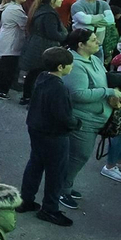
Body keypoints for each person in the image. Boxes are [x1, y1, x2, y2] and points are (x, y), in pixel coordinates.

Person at [62, 27, 121, 198]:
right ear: (81, 45)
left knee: (78, 156)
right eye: (94, 40)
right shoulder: (75, 65)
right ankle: (62, 190)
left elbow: (105, 80)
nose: (98, 42)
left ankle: (66, 185)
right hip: (83, 119)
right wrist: (108, 92)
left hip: (97, 118)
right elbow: (77, 94)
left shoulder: (95, 59)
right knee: (78, 156)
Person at [18, 47, 77, 226]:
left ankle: (25, 200)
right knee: (56, 173)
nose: (71, 67)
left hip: (36, 127)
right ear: (60, 67)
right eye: (69, 65)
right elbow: (63, 116)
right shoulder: (58, 87)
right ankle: (50, 209)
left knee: (35, 164)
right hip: (54, 134)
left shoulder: (42, 77)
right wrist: (76, 124)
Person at [18, 0, 67, 104]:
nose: (62, 0)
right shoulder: (49, 14)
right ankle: (31, 97)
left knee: (33, 73)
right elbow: (53, 33)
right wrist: (64, 34)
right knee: (38, 73)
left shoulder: (40, 10)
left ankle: (26, 96)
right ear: (52, 1)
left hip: (35, 44)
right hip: (43, 47)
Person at [0, 0, 28, 100]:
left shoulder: (11, 7)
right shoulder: (15, 10)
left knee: (4, 66)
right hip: (11, 41)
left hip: (7, 38)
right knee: (6, 68)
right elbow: (24, 24)